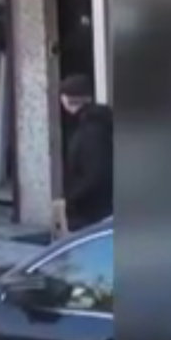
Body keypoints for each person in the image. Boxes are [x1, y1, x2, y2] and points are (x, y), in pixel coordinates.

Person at [60, 75, 113, 230]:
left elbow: (96, 173)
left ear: (67, 100)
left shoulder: (91, 129)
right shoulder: (93, 123)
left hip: (91, 212)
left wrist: (72, 197)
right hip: (95, 208)